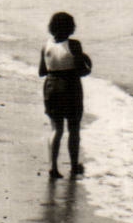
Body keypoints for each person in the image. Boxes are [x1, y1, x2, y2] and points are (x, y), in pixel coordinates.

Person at [38, 12, 92, 179]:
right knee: (73, 129)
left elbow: (42, 72)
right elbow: (81, 70)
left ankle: (53, 167)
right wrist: (87, 64)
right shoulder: (74, 45)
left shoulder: (45, 46)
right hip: (70, 87)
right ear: (70, 28)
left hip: (51, 86)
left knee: (56, 129)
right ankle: (74, 166)